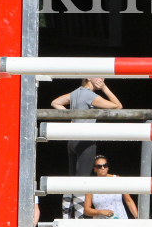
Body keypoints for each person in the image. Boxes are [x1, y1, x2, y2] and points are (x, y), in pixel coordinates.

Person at [51, 77, 122, 219]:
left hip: (72, 139)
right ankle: (78, 219)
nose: (102, 79)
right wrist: (105, 88)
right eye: (99, 77)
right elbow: (118, 106)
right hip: (85, 140)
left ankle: (65, 218)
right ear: (89, 78)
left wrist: (70, 118)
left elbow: (55, 102)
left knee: (71, 180)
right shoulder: (90, 95)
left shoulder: (75, 93)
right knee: (82, 181)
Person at [83, 155, 138, 219]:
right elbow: (86, 210)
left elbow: (129, 201)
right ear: (94, 169)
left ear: (108, 167)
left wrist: (137, 218)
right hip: (101, 224)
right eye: (99, 166)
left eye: (105, 165)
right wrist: (101, 212)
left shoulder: (117, 179)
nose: (103, 168)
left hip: (120, 220)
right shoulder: (91, 184)